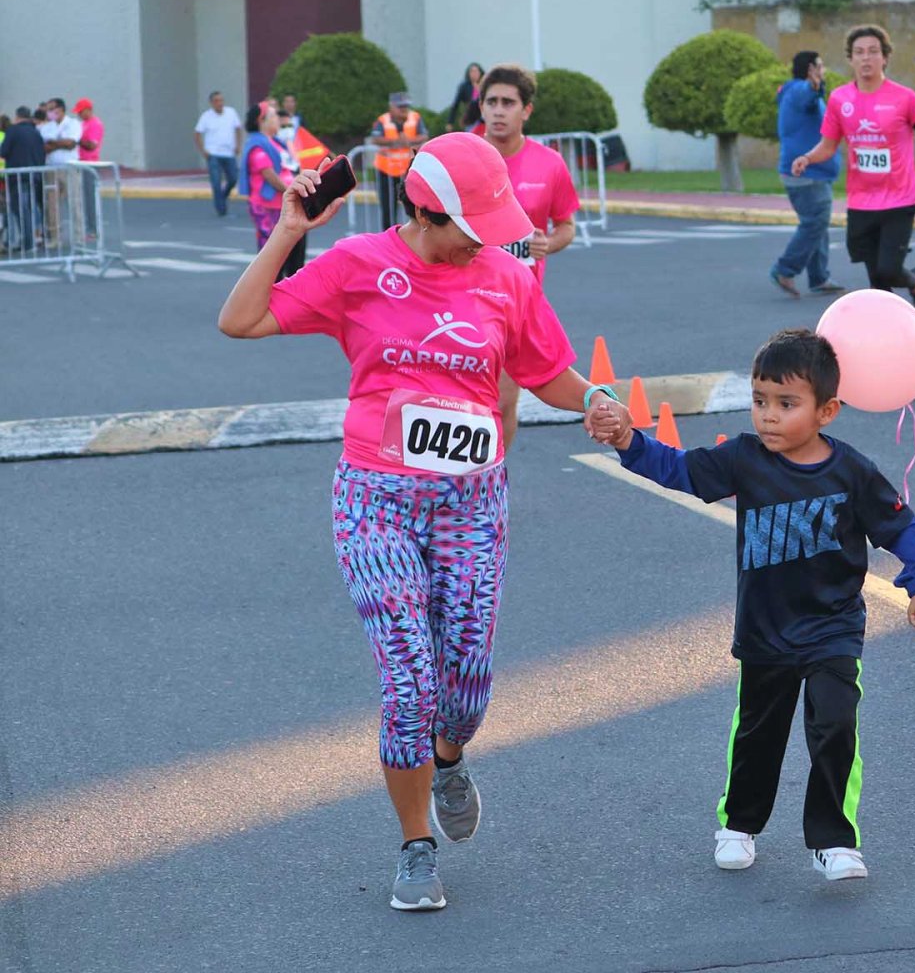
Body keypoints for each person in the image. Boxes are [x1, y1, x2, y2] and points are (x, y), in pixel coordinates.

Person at [217, 130, 631, 912]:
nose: (483, 241)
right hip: (375, 499)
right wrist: (290, 230)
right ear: (425, 210)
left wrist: (596, 400)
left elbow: (546, 370)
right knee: (409, 682)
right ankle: (415, 847)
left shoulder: (506, 277)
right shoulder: (358, 265)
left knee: (465, 689)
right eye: (470, 227)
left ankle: (449, 758)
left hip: (471, 500)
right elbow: (240, 320)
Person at [596, 328, 915, 882]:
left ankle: (834, 840)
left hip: (833, 629)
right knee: (759, 734)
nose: (769, 416)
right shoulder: (745, 458)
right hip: (766, 632)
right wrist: (628, 441)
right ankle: (739, 825)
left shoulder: (852, 472)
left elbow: (898, 525)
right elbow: (680, 469)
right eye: (760, 401)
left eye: (786, 403)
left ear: (826, 411)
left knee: (835, 725)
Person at [791, 24, 915, 322]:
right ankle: (888, 333)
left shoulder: (906, 98)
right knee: (877, 280)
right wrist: (807, 158)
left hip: (899, 199)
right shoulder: (840, 99)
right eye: (859, 52)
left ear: (885, 57)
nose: (866, 58)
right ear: (851, 59)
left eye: (873, 51)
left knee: (889, 268)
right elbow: (828, 145)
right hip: (861, 202)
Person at [476, 62, 582, 450]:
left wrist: (547, 244)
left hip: (516, 304)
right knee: (461, 403)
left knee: (503, 403)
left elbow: (566, 226)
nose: (498, 111)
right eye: (491, 102)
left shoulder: (549, 163)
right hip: (459, 298)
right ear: (481, 107)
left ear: (527, 110)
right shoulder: (461, 155)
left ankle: (492, 477)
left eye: (508, 103)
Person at [771, 51, 845, 298]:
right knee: (814, 223)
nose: (824, 70)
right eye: (820, 66)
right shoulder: (799, 91)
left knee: (818, 224)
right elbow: (808, 95)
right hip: (806, 173)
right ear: (810, 69)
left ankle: (819, 277)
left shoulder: (792, 92)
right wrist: (814, 86)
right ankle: (785, 269)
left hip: (812, 173)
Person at [239, 101, 305, 278]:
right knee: (272, 257)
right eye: (274, 116)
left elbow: (292, 164)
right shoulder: (257, 145)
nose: (278, 119)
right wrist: (292, 192)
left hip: (284, 205)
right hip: (267, 206)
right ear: (261, 120)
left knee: (293, 254)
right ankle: (268, 292)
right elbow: (269, 174)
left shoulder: (276, 142)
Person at [371, 92, 427, 231]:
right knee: (388, 208)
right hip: (386, 171)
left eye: (405, 106)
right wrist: (395, 142)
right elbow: (375, 138)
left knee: (414, 205)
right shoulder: (383, 120)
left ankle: (413, 234)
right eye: (400, 107)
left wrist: (408, 141)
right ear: (391, 107)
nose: (403, 110)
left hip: (408, 171)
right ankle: (388, 234)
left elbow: (423, 135)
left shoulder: (415, 118)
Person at [0, 106, 46, 253]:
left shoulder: (13, 131)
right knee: (29, 208)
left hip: (17, 175)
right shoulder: (35, 132)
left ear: (17, 116)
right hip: (34, 174)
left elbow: (3, 151)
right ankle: (31, 239)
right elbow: (42, 152)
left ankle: (28, 242)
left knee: (20, 209)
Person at [39, 97, 83, 245]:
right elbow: (44, 147)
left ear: (61, 109)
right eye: (48, 110)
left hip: (70, 167)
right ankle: (54, 237)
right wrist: (60, 143)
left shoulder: (73, 124)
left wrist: (53, 143)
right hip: (51, 168)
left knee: (75, 202)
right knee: (51, 204)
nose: (49, 112)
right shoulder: (46, 127)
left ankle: (78, 237)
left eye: (52, 109)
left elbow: (71, 143)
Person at [194, 91, 243, 217]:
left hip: (229, 153)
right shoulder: (206, 116)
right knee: (216, 182)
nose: (219, 103)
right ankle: (221, 209)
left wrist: (238, 145)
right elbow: (197, 134)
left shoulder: (231, 112)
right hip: (213, 154)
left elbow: (238, 129)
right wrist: (203, 151)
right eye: (216, 101)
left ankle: (222, 196)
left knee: (233, 179)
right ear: (211, 103)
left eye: (221, 100)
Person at [74, 98, 103, 240]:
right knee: (82, 198)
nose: (79, 114)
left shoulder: (95, 124)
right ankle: (87, 227)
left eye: (81, 111)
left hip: (90, 163)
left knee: (90, 198)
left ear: (89, 110)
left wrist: (76, 140)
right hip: (81, 163)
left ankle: (93, 229)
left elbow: (92, 145)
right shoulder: (83, 124)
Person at [449, 62, 485, 129]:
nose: (474, 74)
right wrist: (450, 122)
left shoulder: (485, 85)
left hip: (484, 119)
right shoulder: (464, 86)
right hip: (471, 119)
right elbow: (455, 104)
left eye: (476, 71)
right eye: (472, 71)